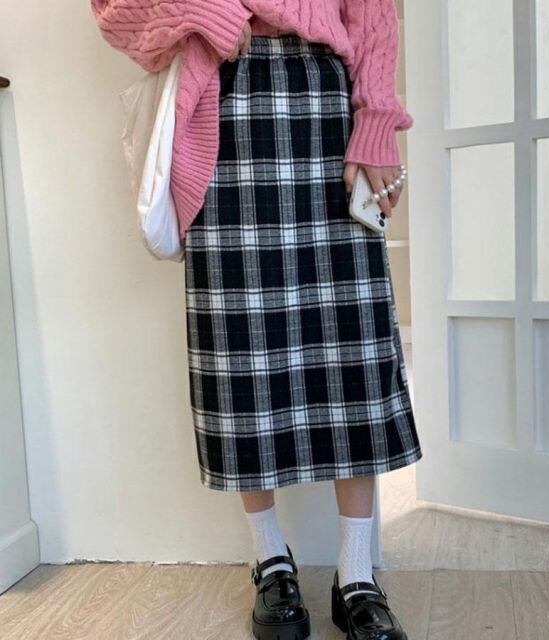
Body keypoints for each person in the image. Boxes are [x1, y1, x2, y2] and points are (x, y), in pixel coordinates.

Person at [91, 2, 423, 639]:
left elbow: (373, 10)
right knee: (240, 349)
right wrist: (208, 10)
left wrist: (377, 122)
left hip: (328, 104)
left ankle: (357, 574)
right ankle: (270, 559)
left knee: (350, 344)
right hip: (220, 103)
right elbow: (113, 10)